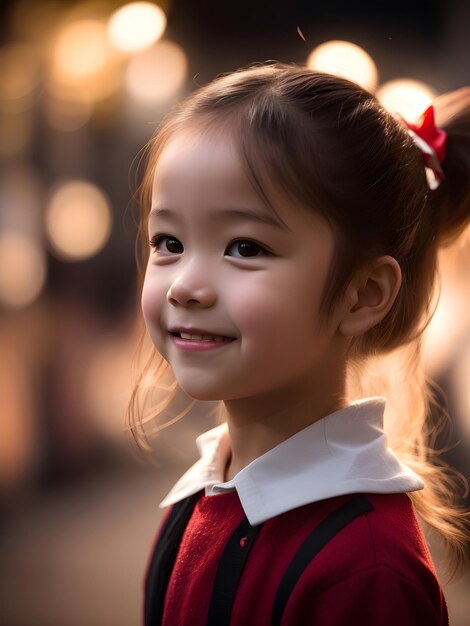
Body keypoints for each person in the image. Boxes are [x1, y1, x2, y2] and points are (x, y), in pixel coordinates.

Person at [127, 62, 470, 625]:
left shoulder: (365, 570)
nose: (185, 285)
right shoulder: (199, 502)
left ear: (363, 294)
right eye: (169, 241)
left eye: (244, 247)